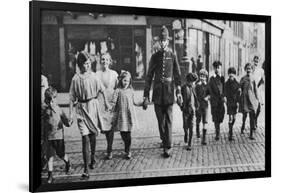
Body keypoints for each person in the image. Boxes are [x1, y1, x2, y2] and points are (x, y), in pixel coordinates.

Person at [143, 26, 182, 158]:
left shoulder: (173, 55)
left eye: (165, 41)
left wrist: (179, 91)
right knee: (161, 121)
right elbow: (149, 76)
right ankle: (164, 139)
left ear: (168, 42)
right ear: (158, 43)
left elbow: (177, 75)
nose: (163, 44)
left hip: (170, 92)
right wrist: (145, 95)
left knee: (169, 120)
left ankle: (168, 146)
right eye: (161, 41)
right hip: (158, 94)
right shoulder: (154, 56)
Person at [69, 51, 109, 179]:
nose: (85, 66)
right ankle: (86, 170)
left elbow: (102, 90)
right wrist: (70, 114)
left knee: (92, 135)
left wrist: (107, 104)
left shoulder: (94, 77)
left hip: (92, 106)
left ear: (90, 64)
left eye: (87, 64)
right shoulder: (75, 79)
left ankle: (92, 157)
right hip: (81, 109)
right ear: (79, 65)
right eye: (83, 64)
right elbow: (71, 98)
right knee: (84, 138)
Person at [42, 86, 72, 184]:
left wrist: (69, 122)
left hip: (59, 136)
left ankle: (67, 162)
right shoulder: (44, 111)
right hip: (49, 137)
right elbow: (42, 124)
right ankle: (50, 175)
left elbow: (66, 121)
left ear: (56, 99)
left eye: (53, 99)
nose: (51, 101)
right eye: (49, 99)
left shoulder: (59, 109)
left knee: (61, 154)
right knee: (49, 156)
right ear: (46, 100)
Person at [111, 71, 143, 159]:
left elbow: (135, 102)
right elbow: (113, 103)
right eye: (124, 80)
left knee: (128, 134)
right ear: (121, 80)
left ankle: (128, 150)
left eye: (127, 81)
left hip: (129, 115)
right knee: (123, 133)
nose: (126, 83)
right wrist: (110, 110)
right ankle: (126, 147)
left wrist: (142, 103)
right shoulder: (117, 91)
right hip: (121, 115)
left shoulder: (131, 91)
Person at [96, 53, 119, 160]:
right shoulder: (97, 74)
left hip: (111, 102)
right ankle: (108, 147)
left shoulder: (114, 74)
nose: (104, 61)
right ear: (100, 61)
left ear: (110, 62)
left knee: (110, 127)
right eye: (103, 59)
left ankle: (109, 149)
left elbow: (118, 88)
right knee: (104, 127)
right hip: (101, 103)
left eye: (107, 60)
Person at [206, 61, 226, 141]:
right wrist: (209, 96)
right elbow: (209, 88)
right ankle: (217, 132)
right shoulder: (211, 79)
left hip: (221, 100)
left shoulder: (222, 78)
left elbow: (224, 88)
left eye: (218, 68)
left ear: (221, 68)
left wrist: (224, 96)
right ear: (213, 68)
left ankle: (218, 127)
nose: (217, 69)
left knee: (221, 115)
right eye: (216, 68)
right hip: (214, 101)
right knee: (215, 116)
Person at [178, 73, 198, 151]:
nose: (192, 83)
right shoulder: (183, 88)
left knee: (192, 127)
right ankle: (186, 133)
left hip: (192, 110)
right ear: (187, 81)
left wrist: (197, 106)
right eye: (190, 82)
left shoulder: (193, 87)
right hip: (185, 110)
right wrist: (181, 106)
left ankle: (190, 143)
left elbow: (196, 97)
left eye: (193, 82)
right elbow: (180, 98)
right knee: (185, 126)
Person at [239, 63, 259, 140]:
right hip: (244, 99)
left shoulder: (253, 79)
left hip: (251, 99)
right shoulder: (243, 78)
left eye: (250, 69)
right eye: (247, 68)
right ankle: (243, 125)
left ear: (252, 70)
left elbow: (255, 90)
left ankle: (251, 133)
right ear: (245, 69)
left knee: (252, 115)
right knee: (244, 115)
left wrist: (257, 99)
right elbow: (239, 88)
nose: (248, 70)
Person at [224, 67, 240, 141]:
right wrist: (225, 98)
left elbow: (238, 94)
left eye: (232, 75)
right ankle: (231, 134)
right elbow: (224, 92)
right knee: (230, 118)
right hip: (229, 103)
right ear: (228, 75)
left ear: (234, 75)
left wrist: (238, 102)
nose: (231, 77)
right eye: (230, 75)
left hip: (235, 102)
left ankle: (231, 127)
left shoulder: (237, 84)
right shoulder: (226, 83)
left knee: (234, 118)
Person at [195, 69, 209, 145]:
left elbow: (210, 94)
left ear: (206, 77)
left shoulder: (207, 85)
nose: (202, 78)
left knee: (205, 121)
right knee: (198, 119)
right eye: (201, 76)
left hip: (205, 105)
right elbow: (195, 95)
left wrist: (208, 97)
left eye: (203, 76)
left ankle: (204, 138)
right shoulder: (197, 85)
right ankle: (197, 130)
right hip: (199, 105)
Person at [252, 56, 265, 129]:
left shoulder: (261, 70)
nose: (256, 63)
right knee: (253, 107)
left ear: (259, 62)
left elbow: (263, 80)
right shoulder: (251, 69)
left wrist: (258, 85)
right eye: (255, 61)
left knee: (259, 108)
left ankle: (255, 119)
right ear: (253, 61)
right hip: (252, 90)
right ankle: (253, 122)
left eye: (257, 61)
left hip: (259, 90)